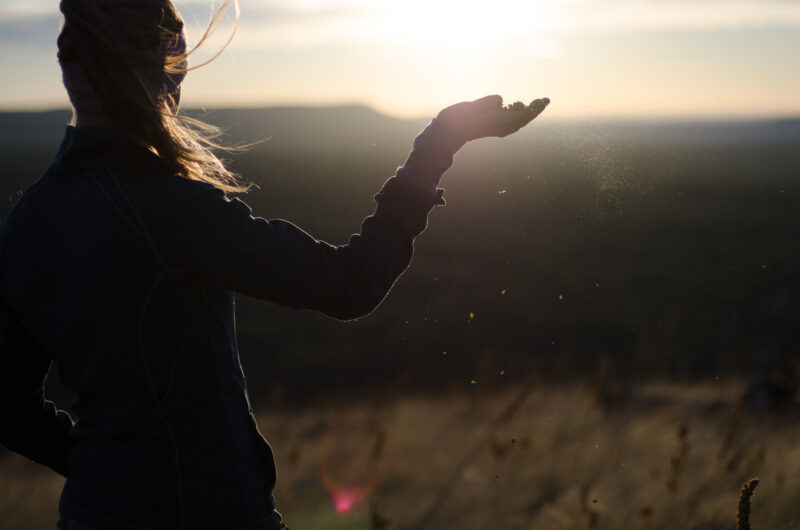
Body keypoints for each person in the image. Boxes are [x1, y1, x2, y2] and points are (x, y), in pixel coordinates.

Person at [0, 0, 549, 529]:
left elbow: (8, 406)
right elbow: (348, 284)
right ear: (152, 68)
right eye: (176, 66)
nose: (177, 88)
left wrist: (106, 471)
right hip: (206, 513)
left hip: (89, 514)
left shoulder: (24, 223)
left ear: (67, 67)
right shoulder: (169, 207)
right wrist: (436, 147)